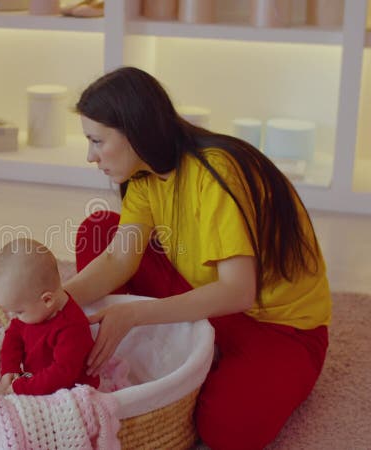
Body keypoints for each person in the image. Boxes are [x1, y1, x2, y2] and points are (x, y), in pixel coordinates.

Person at [64, 67, 331, 450]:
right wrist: (56, 301)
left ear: (134, 130)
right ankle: (182, 351)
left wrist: (136, 314)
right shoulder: (142, 176)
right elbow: (118, 260)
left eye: (97, 141)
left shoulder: (216, 171)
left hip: (279, 327)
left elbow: (239, 292)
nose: (90, 156)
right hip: (208, 296)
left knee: (225, 431)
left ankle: (196, 357)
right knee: (100, 230)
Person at [0, 238, 99, 395]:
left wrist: (17, 389)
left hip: (70, 389)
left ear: (47, 300)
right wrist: (9, 372)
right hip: (36, 381)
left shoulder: (72, 327)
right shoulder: (34, 309)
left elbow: (62, 375)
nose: (14, 318)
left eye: (19, 312)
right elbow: (13, 336)